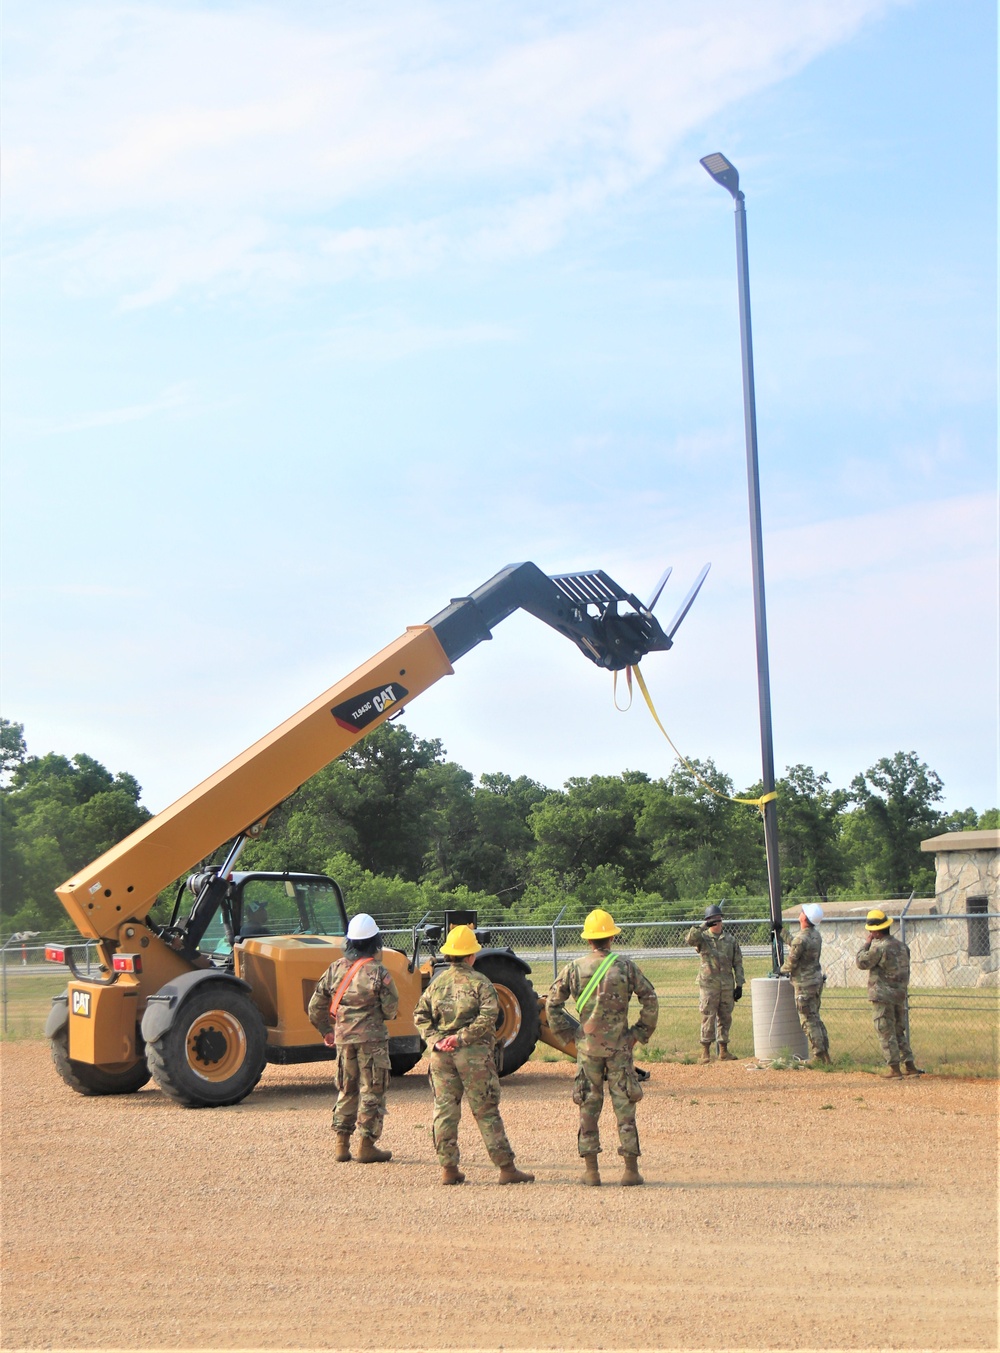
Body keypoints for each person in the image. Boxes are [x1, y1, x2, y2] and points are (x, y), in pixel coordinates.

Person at [413, 924, 534, 1187]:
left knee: (444, 1111)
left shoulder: (437, 984)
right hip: (474, 1056)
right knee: (486, 1110)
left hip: (441, 1056)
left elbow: (420, 1015)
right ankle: (506, 1168)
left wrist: (436, 1040)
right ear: (471, 956)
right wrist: (462, 1038)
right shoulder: (481, 983)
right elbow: (489, 1017)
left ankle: (448, 1169)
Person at [546, 908, 658, 1187]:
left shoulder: (574, 968)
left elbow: (551, 1004)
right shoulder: (626, 967)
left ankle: (592, 1170)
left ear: (588, 940)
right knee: (625, 1106)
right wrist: (638, 1033)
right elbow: (650, 999)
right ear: (611, 938)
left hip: (587, 1050)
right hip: (620, 1048)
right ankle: (630, 1170)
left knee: (588, 1105)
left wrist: (569, 1035)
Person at [307, 912, 399, 1162]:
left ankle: (341, 1146)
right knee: (372, 1090)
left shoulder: (335, 968)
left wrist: (326, 1030)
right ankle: (367, 1146)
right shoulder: (379, 972)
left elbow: (315, 1006)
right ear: (374, 941)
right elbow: (391, 1009)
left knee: (347, 1089)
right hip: (373, 1043)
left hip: (344, 1039)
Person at [856, 908, 923, 1079]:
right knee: (899, 1031)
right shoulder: (902, 946)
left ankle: (894, 1069)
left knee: (885, 1031)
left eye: (871, 930)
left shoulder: (879, 948)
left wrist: (866, 943)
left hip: (882, 995)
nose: (870, 933)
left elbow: (861, 962)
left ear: (876, 931)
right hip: (899, 995)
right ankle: (910, 1065)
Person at [685, 904, 744, 1063]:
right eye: (712, 920)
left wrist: (739, 984)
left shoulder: (730, 940)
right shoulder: (702, 938)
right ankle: (705, 1052)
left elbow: (737, 963)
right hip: (709, 985)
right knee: (708, 1016)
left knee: (725, 1017)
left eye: (718, 919)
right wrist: (703, 926)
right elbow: (689, 939)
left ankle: (724, 1051)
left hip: (726, 985)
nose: (716, 922)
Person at [780, 902, 832, 1064]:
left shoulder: (801, 940)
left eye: (802, 912)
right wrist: (782, 932)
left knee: (808, 1020)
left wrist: (780, 969)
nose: (800, 913)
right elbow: (797, 944)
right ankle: (825, 1054)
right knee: (815, 1017)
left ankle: (818, 1055)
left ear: (805, 918)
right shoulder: (815, 935)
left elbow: (792, 961)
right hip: (815, 981)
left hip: (804, 984)